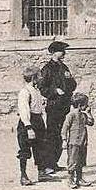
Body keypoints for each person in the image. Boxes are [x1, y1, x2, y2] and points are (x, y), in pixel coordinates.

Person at [39, 40, 77, 173]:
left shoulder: (64, 68)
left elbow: (73, 84)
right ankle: (47, 165)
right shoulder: (47, 69)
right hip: (54, 106)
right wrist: (54, 91)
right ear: (54, 52)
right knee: (51, 136)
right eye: (62, 51)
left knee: (61, 135)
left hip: (64, 106)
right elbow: (42, 87)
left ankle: (54, 163)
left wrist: (70, 82)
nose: (64, 53)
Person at [16, 66, 48, 185]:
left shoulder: (36, 90)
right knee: (25, 149)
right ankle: (23, 176)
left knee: (40, 148)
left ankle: (42, 173)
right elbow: (24, 110)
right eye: (39, 76)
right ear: (34, 78)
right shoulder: (25, 92)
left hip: (38, 120)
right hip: (28, 122)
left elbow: (37, 104)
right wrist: (29, 127)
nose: (41, 78)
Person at [60, 92, 94, 189]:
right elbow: (64, 128)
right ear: (80, 105)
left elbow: (91, 123)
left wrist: (89, 113)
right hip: (73, 143)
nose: (87, 106)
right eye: (85, 104)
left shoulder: (83, 115)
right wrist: (64, 140)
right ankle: (70, 180)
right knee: (72, 161)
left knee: (81, 161)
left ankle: (79, 178)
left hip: (82, 142)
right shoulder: (71, 115)